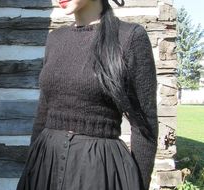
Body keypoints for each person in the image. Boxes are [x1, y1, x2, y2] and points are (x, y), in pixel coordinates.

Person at [16, 0, 159, 189]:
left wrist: (138, 185)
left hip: (99, 172)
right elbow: (44, 110)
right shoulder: (55, 39)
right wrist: (32, 167)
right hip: (45, 168)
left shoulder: (129, 37)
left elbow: (144, 126)